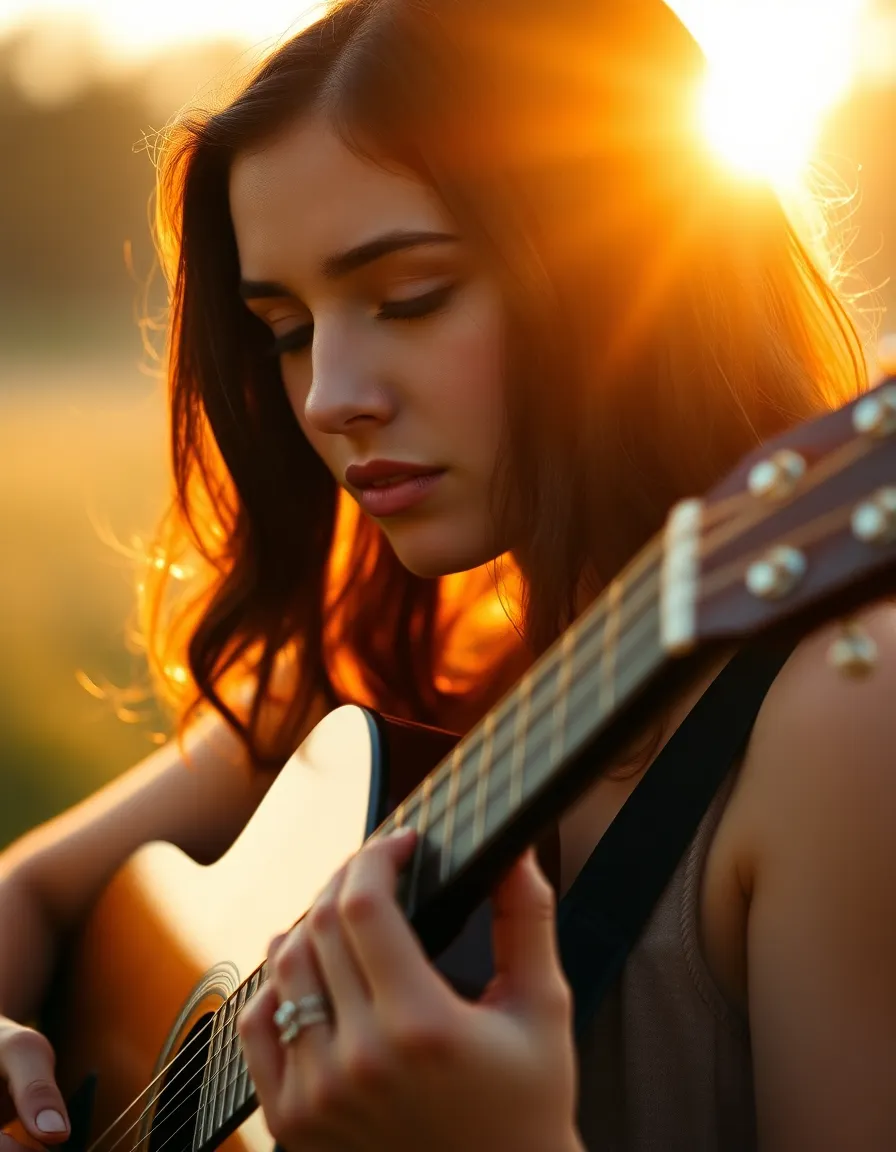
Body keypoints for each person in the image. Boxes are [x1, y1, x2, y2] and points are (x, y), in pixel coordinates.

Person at [1, 0, 895, 1149]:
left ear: (633, 278)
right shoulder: (416, 654)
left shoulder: (840, 717)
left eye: (408, 297)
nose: (327, 395)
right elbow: (30, 893)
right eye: (284, 328)